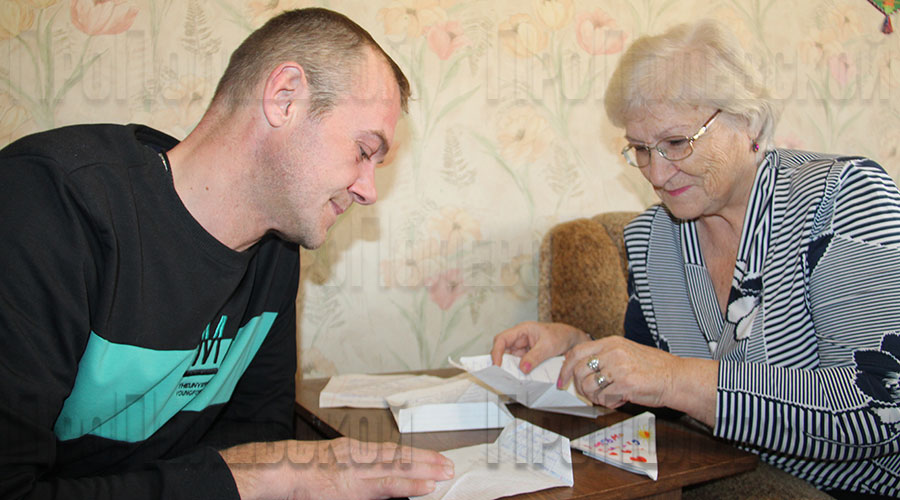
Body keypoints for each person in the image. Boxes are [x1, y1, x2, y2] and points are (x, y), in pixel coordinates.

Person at [0, 8, 453, 500]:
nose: (369, 190)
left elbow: (256, 439)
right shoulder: (49, 204)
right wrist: (265, 476)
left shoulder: (276, 255)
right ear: (285, 98)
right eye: (365, 151)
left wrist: (265, 473)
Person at [492, 19, 900, 498]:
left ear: (747, 119)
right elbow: (653, 403)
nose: (658, 174)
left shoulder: (841, 198)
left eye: (676, 143)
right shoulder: (651, 237)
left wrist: (673, 379)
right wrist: (581, 349)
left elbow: (881, 404)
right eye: (641, 150)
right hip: (717, 476)